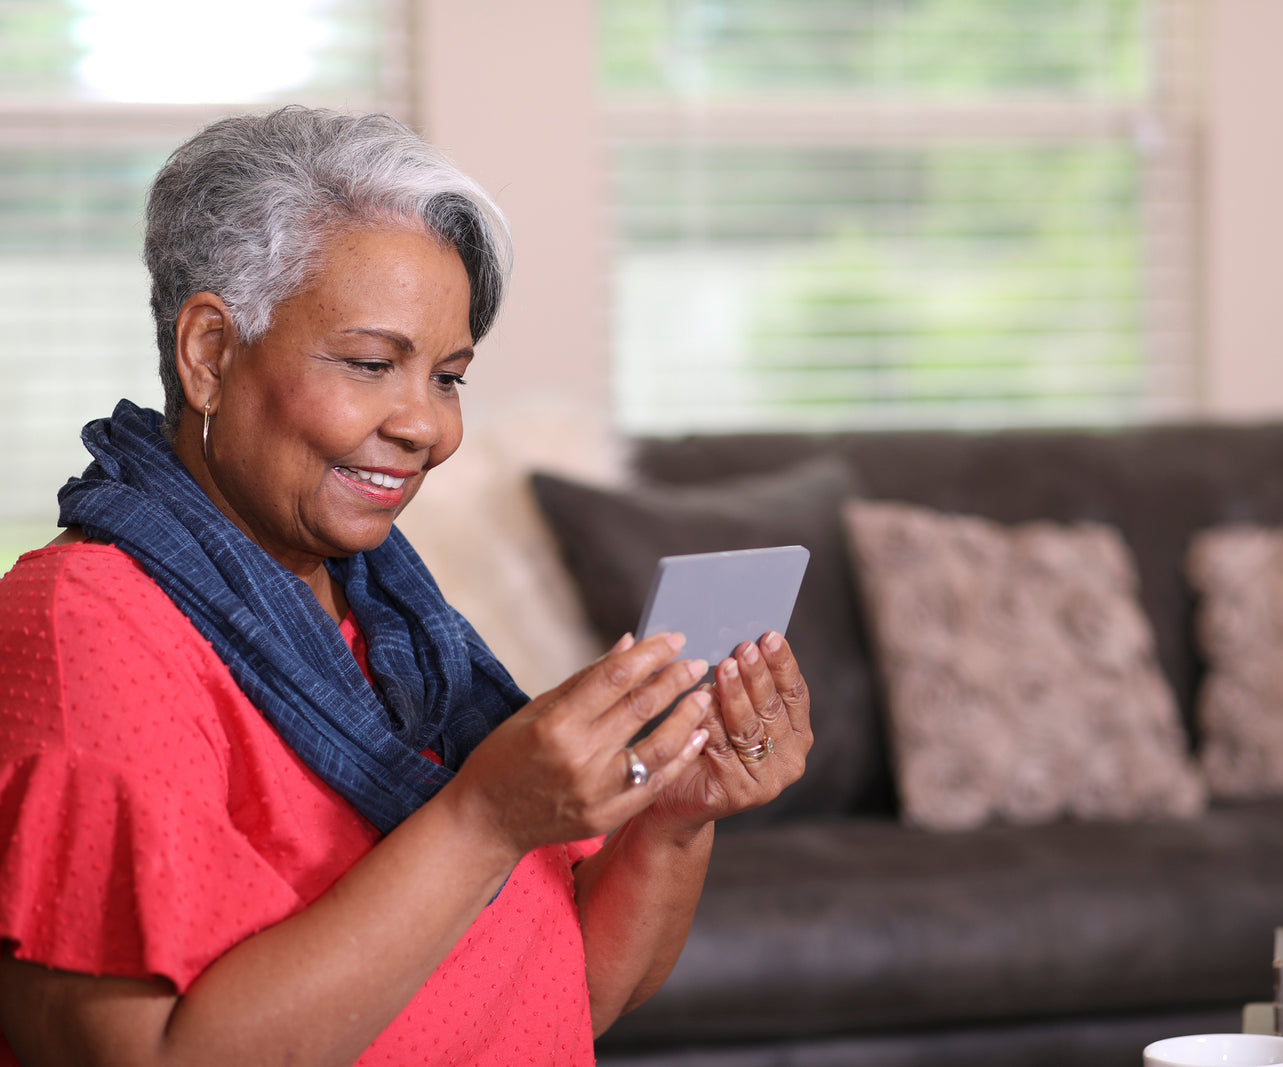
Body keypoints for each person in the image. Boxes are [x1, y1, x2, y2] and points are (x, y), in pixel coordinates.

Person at [0, 107, 811, 1066]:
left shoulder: (400, 622)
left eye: (448, 377)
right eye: (373, 364)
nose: (427, 426)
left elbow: (568, 990)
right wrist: (486, 818)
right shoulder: (88, 628)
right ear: (211, 352)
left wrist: (674, 815)